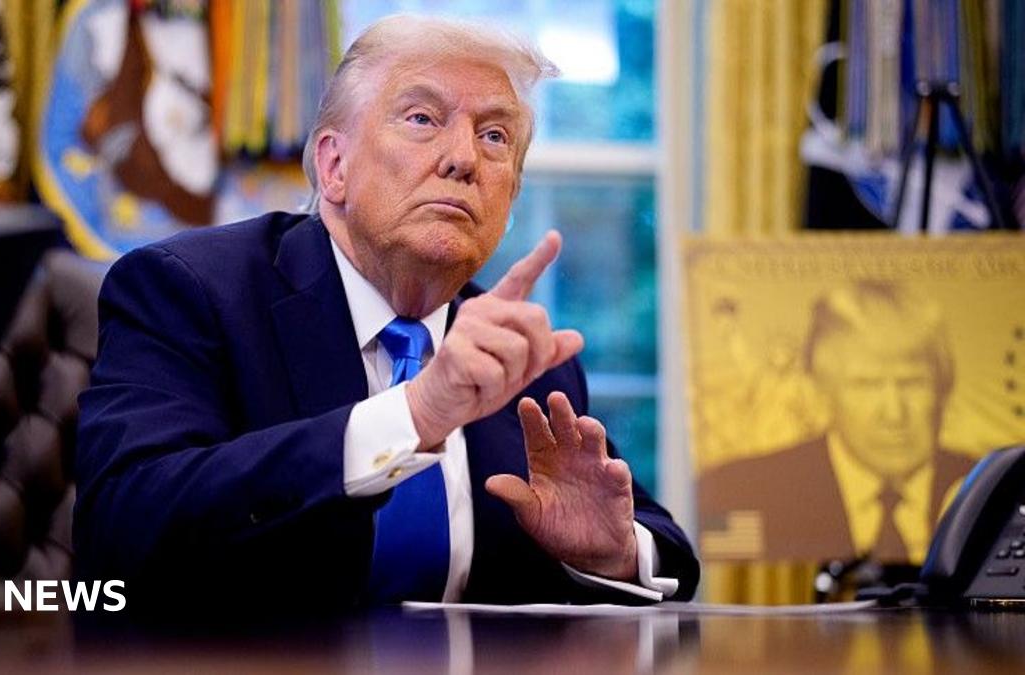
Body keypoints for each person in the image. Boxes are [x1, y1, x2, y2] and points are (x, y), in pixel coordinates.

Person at [74, 15, 699, 616]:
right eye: (423, 118)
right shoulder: (190, 291)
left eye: (495, 136)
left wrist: (611, 552)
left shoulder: (517, 352)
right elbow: (120, 530)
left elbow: (662, 545)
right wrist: (414, 415)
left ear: (510, 198)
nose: (464, 159)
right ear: (334, 165)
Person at [698, 281, 974, 564]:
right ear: (824, 391)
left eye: (912, 383)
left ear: (944, 389)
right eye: (867, 384)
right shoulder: (741, 489)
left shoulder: (995, 493)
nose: (893, 413)